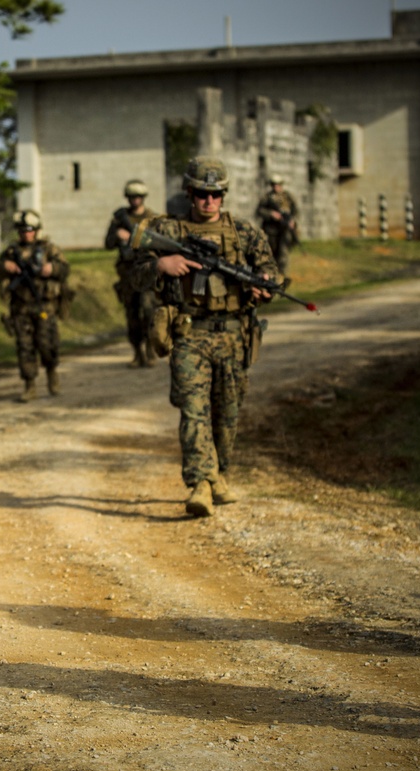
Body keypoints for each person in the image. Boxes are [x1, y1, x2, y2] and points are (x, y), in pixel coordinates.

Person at [129, 157, 278, 517]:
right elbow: (133, 274)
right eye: (201, 195)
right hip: (189, 333)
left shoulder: (245, 233)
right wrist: (161, 265)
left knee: (227, 414)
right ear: (189, 194)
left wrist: (265, 288)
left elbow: (270, 273)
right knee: (194, 412)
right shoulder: (169, 230)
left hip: (232, 335)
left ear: (223, 196)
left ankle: (217, 475)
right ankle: (199, 484)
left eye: (215, 195)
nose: (208, 202)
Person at [0, 210, 71, 401]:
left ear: (36, 230)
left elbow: (65, 269)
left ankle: (52, 374)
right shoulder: (11, 252)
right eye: (21, 230)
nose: (25, 234)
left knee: (47, 343)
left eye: (29, 230)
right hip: (20, 308)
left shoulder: (49, 249)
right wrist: (6, 267)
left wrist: (51, 269)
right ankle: (30, 385)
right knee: (25, 347)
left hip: (45, 306)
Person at [104, 179, 159, 367]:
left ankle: (151, 349)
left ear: (143, 198)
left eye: (138, 197)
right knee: (132, 315)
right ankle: (138, 353)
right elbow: (108, 244)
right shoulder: (119, 219)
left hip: (147, 273)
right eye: (132, 197)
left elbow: (160, 243)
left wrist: (136, 238)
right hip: (128, 275)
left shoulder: (152, 218)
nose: (135, 200)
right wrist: (117, 235)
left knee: (149, 311)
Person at [255, 174, 298, 275]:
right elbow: (259, 211)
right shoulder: (267, 197)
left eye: (278, 184)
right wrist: (271, 214)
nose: (276, 187)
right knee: (271, 253)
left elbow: (295, 211)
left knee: (283, 254)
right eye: (274, 184)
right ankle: (272, 274)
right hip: (271, 231)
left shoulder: (288, 197)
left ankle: (282, 275)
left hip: (284, 230)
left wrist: (293, 221)